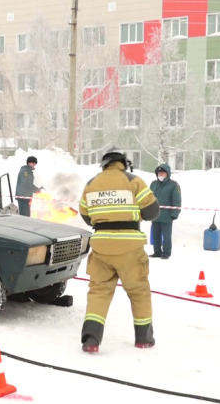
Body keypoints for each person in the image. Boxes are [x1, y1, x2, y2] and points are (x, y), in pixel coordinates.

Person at [77, 147, 160, 353]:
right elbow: (152, 212)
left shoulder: (91, 184)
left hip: (101, 247)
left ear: (104, 164)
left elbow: (86, 216)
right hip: (129, 247)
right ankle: (144, 338)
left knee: (98, 293)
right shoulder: (134, 181)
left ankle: (91, 340)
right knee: (139, 291)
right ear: (123, 163)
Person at [149, 163, 182, 259]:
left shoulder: (173, 185)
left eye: (163, 173)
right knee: (155, 235)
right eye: (159, 173)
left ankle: (166, 252)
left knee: (166, 236)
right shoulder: (153, 184)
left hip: (167, 216)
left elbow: (177, 200)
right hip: (155, 215)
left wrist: (175, 213)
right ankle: (157, 252)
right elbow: (149, 197)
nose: (161, 175)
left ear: (167, 174)